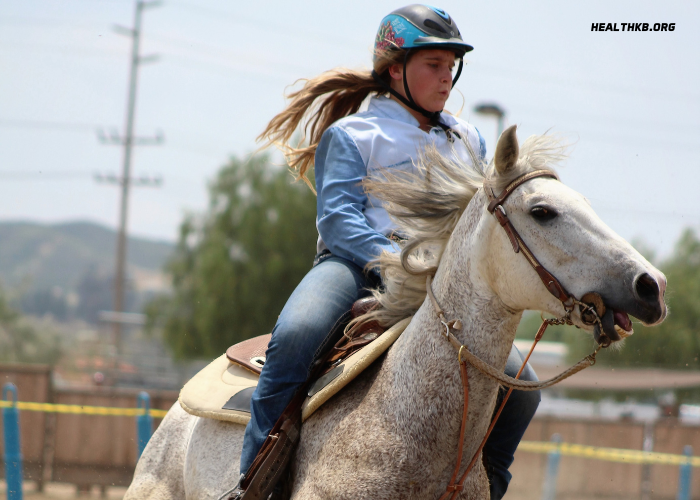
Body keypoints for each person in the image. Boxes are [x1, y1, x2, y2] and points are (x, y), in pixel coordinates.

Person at [237, 5, 540, 499]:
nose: (446, 79)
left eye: (450, 67)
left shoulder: (469, 139)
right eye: (433, 66)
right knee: (295, 336)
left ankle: (483, 488)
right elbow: (338, 222)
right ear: (395, 69)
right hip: (354, 270)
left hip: (442, 288)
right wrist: (399, 260)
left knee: (521, 391)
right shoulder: (353, 135)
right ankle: (252, 484)